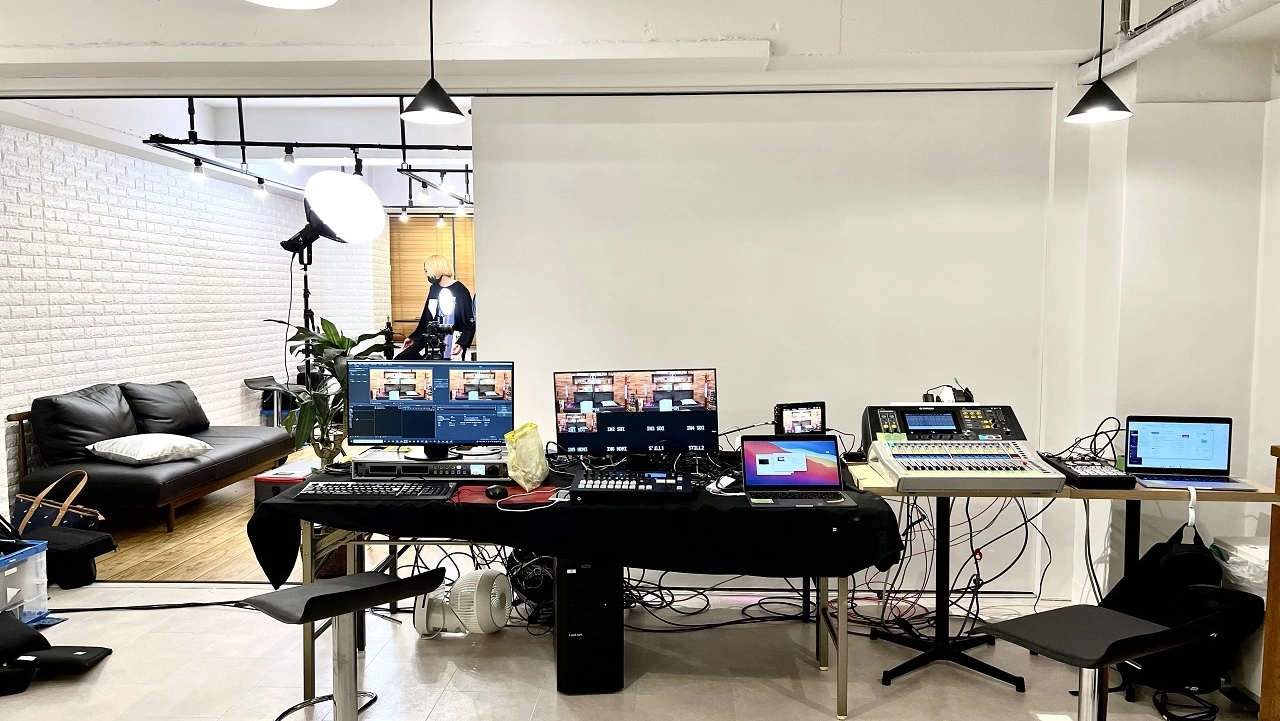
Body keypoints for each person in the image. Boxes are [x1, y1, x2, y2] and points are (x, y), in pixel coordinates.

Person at [396, 255, 476, 360]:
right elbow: (426, 316)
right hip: (429, 337)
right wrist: (414, 337)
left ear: (435, 269)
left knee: (443, 366)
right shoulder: (434, 289)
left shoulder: (460, 290)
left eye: (426, 271)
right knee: (401, 359)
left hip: (451, 339)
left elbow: (468, 320)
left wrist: (462, 343)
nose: (426, 275)